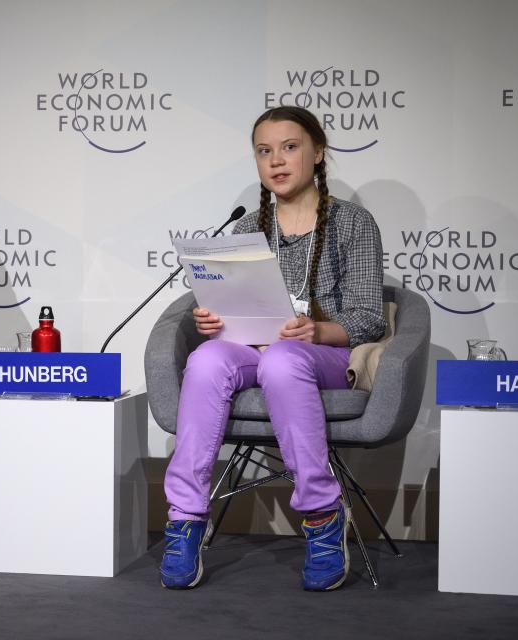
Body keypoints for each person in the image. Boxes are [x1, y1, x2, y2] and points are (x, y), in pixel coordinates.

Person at [159, 106, 385, 591]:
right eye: (265, 151)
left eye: (289, 147)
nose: (276, 161)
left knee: (283, 360)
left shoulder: (353, 223)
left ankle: (323, 515)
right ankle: (185, 517)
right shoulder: (246, 229)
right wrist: (212, 319)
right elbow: (237, 317)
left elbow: (367, 317)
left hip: (320, 354)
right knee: (206, 359)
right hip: (253, 348)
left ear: (318, 153)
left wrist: (316, 332)